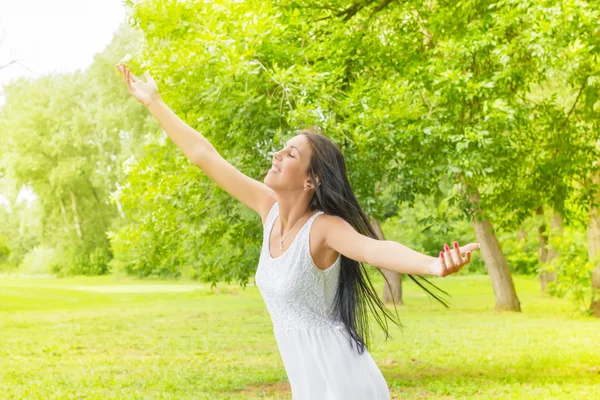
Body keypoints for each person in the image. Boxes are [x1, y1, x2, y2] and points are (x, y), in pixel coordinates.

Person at [115, 63, 480, 399]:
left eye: (290, 154)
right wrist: (154, 102)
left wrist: (434, 265)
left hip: (341, 381)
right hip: (308, 381)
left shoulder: (323, 229)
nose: (276, 154)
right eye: (282, 149)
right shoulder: (268, 210)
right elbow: (204, 155)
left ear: (311, 180)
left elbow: (373, 250)